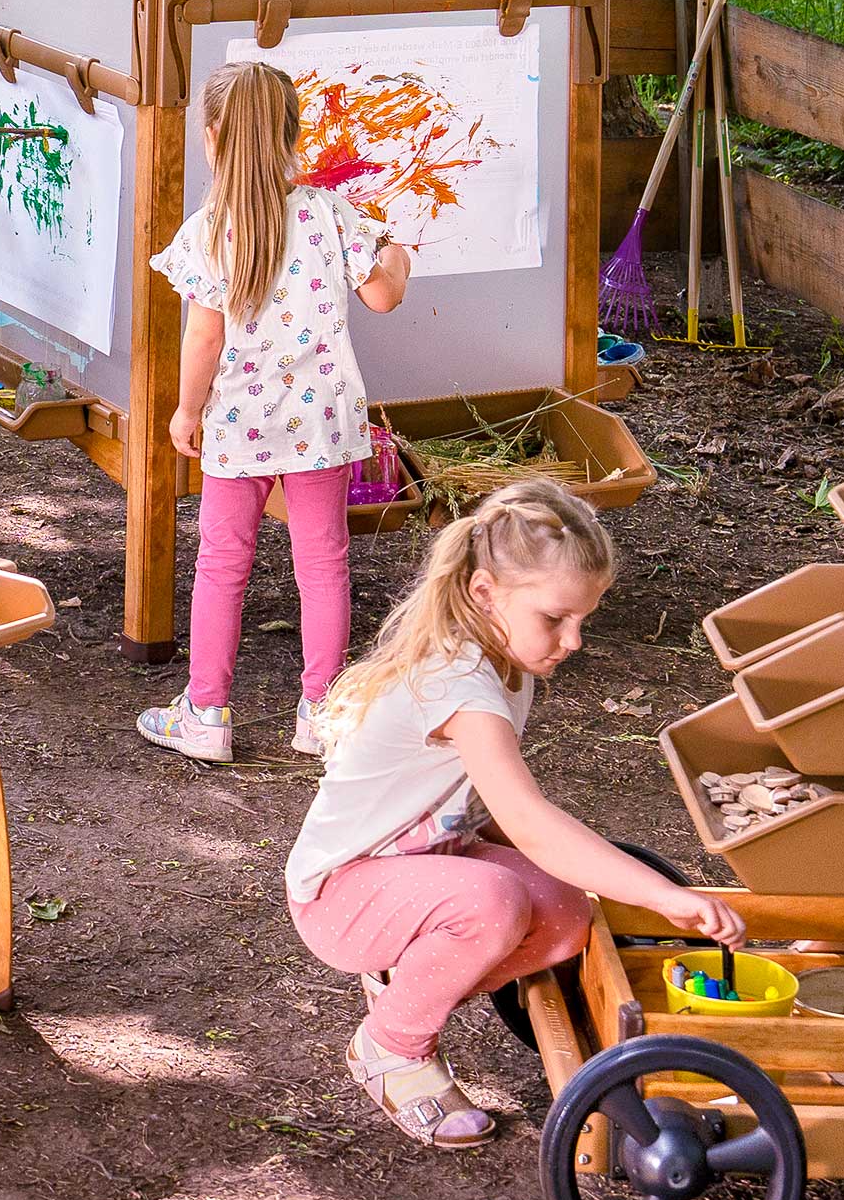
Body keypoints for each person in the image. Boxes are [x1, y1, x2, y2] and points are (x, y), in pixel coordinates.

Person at [288, 482, 751, 1150]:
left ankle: (408, 976)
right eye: (556, 618)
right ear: (485, 594)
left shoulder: (507, 667)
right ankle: (390, 1045)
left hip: (423, 868)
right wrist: (662, 895)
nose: (575, 640)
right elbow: (527, 823)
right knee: (496, 902)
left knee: (564, 912)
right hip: (341, 894)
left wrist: (594, 880)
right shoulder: (457, 682)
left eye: (582, 620)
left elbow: (500, 819)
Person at [138, 60, 412, 765]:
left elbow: (204, 336)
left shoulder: (209, 230)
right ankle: (319, 713)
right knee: (324, 565)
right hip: (323, 425)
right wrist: (399, 254)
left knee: (222, 565)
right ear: (294, 133)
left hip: (239, 423)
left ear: (212, 137)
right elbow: (385, 297)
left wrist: (185, 409)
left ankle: (206, 713)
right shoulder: (330, 213)